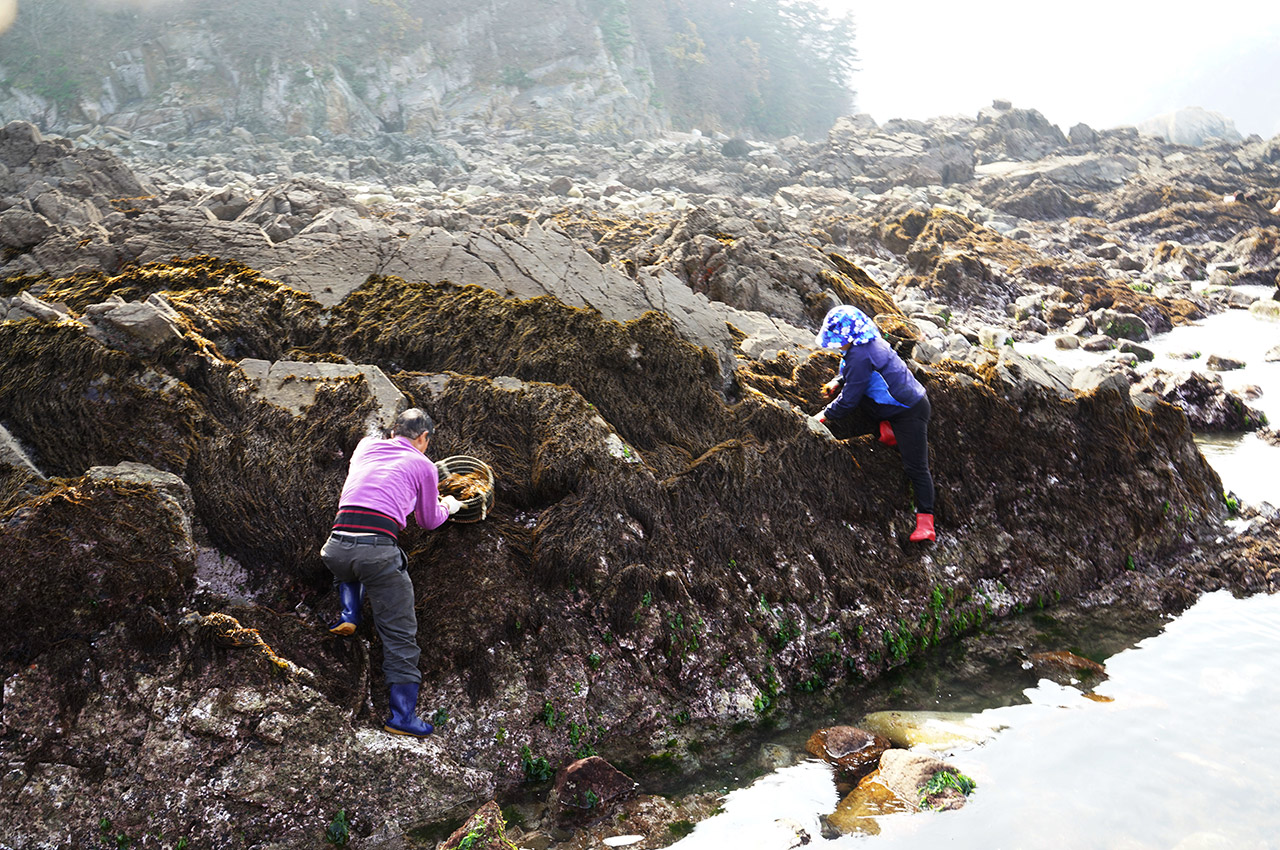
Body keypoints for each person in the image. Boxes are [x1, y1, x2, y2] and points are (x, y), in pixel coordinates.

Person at [320, 407, 464, 737]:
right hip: (377, 553)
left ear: (393, 431)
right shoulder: (424, 465)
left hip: (336, 546)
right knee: (399, 634)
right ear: (424, 438)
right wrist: (451, 506)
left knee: (349, 564)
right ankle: (402, 717)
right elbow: (429, 520)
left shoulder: (365, 446)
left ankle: (349, 614)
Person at [813, 305, 936, 542]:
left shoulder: (859, 354)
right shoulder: (868, 340)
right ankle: (890, 431)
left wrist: (824, 415)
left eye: (838, 339)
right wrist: (838, 380)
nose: (836, 344)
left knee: (916, 468)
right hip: (893, 405)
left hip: (910, 410)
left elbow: (849, 401)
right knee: (864, 401)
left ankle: (926, 523)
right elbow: (854, 371)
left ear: (847, 336)